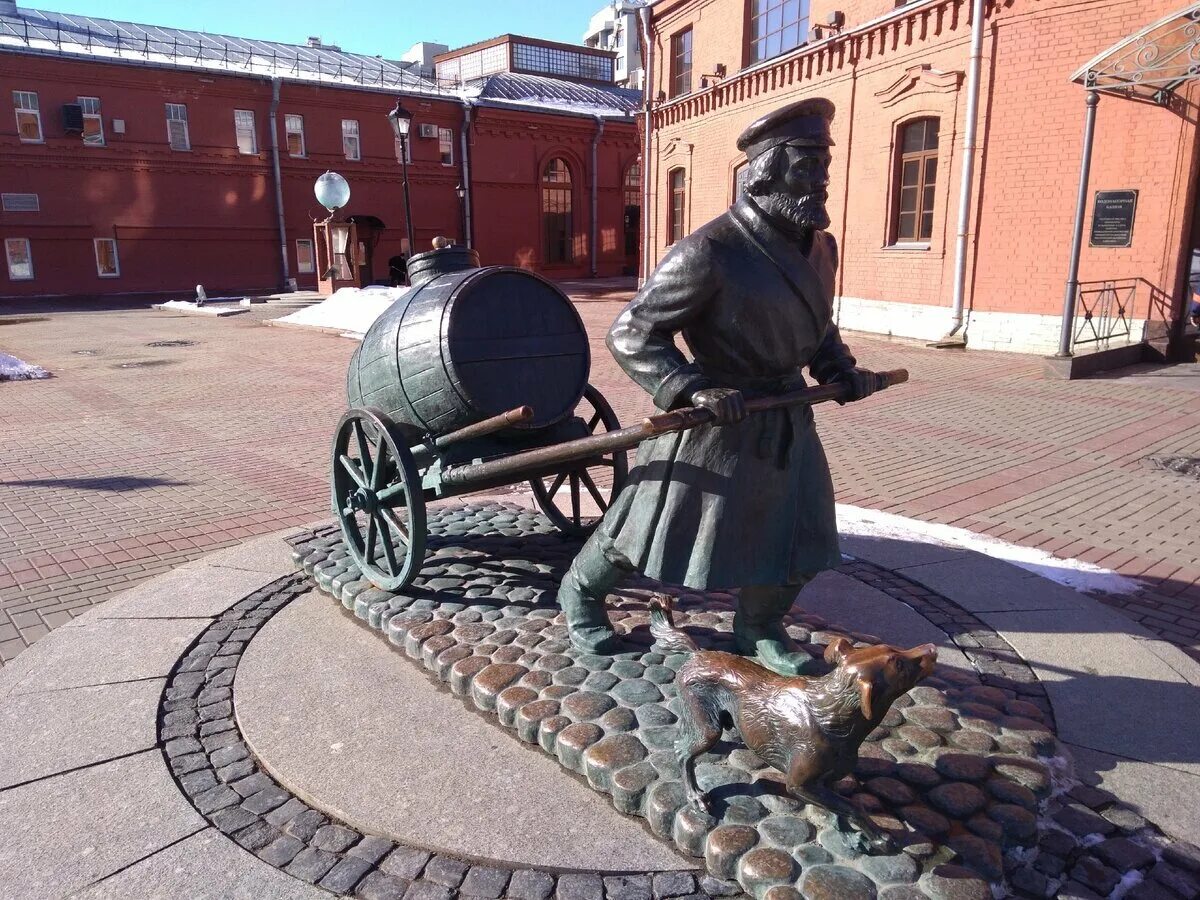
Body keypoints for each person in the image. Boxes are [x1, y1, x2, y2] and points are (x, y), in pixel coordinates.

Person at [556, 98, 879, 676]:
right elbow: (632, 332)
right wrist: (690, 387)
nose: (821, 180)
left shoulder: (820, 247)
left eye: (824, 167)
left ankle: (758, 625)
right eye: (807, 167)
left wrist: (838, 368)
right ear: (766, 172)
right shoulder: (711, 251)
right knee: (647, 525)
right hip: (716, 419)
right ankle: (580, 594)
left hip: (784, 416)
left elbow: (818, 323)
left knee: (799, 529)